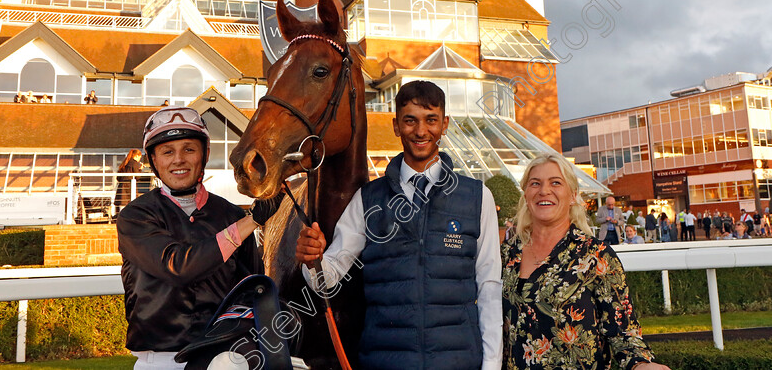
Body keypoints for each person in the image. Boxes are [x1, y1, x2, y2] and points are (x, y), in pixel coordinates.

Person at [295, 81, 502, 370]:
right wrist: (312, 260)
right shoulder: (367, 199)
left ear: (444, 124)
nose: (420, 131)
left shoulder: (477, 197)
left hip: (458, 361)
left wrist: (491, 365)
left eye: (431, 120)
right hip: (384, 361)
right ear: (395, 126)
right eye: (410, 121)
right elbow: (326, 280)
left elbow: (489, 287)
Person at [116, 106, 282, 369]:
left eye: (189, 149)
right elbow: (177, 267)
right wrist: (250, 222)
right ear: (154, 161)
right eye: (168, 152)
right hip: (159, 361)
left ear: (204, 156)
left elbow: (253, 286)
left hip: (224, 358)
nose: (178, 160)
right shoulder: (134, 216)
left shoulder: (229, 214)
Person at [501, 154, 668, 369]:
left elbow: (623, 331)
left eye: (555, 183)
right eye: (535, 183)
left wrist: (642, 364)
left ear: (572, 195)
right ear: (526, 194)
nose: (544, 191)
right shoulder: (508, 254)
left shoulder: (595, 255)